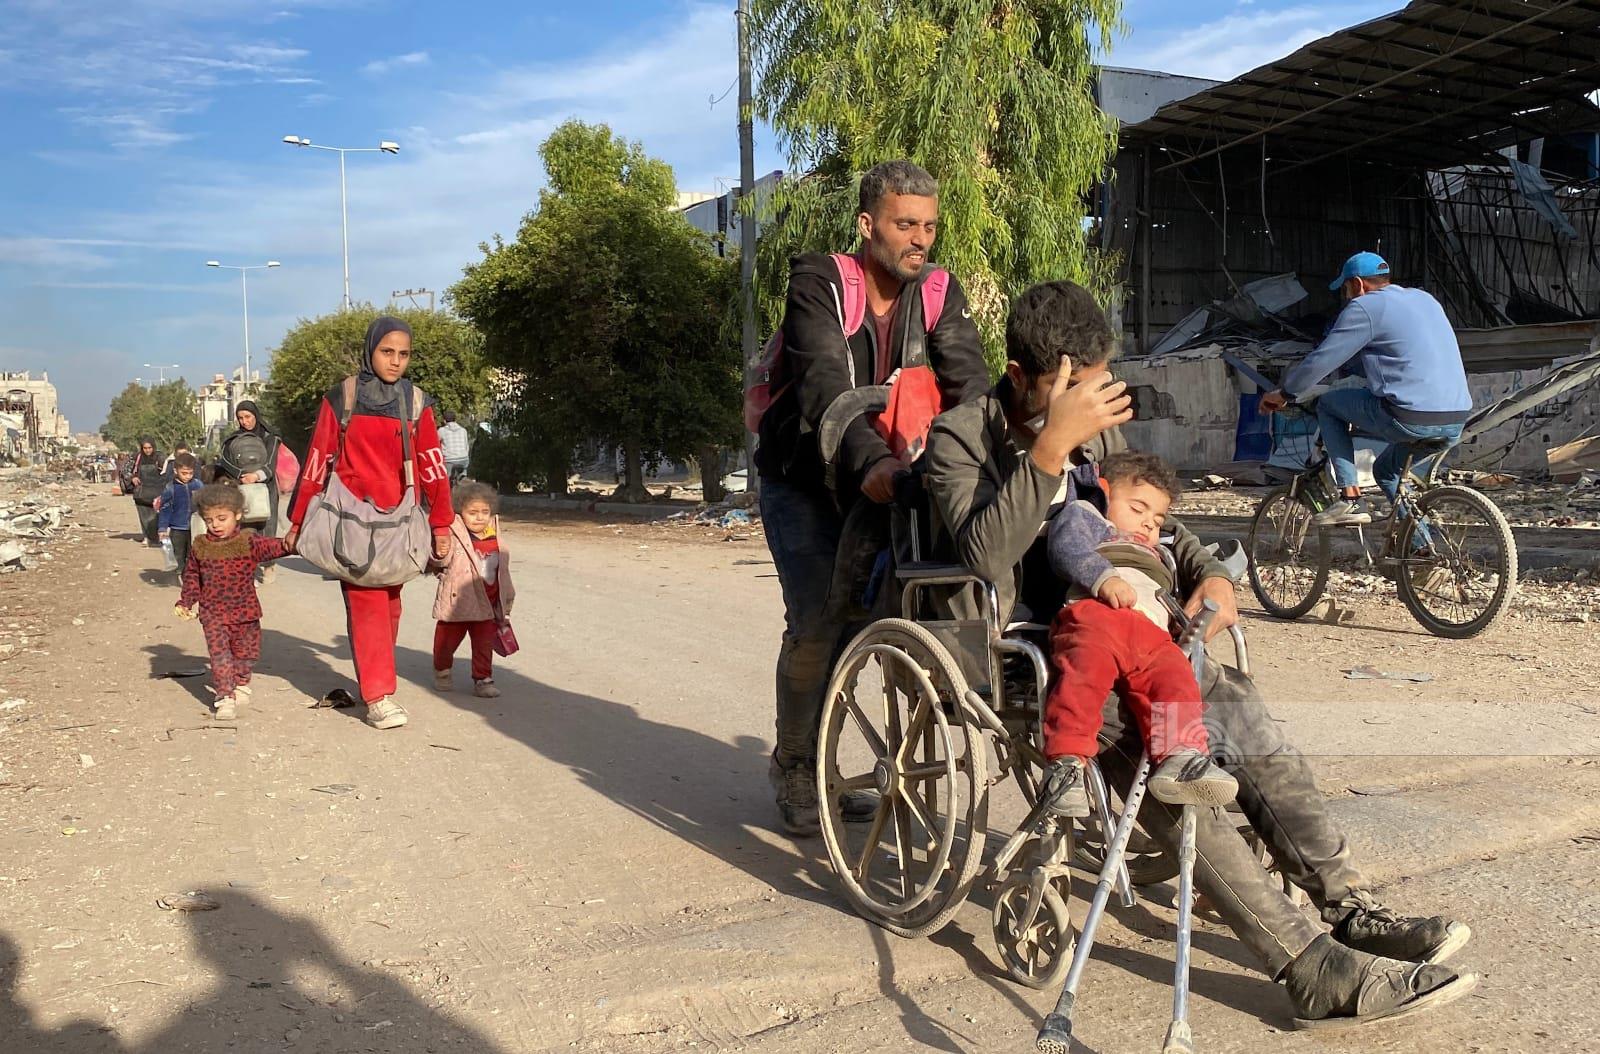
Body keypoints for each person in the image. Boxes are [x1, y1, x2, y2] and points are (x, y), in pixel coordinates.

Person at [923, 279, 1476, 1028]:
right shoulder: (961, 437)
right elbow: (984, 556)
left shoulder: (1102, 430)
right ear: (1023, 377)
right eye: (1075, 392)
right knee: (1162, 765)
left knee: (1242, 713)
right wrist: (1051, 447)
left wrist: (1209, 573)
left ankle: (1349, 908)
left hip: (1144, 635)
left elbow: (1147, 519)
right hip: (1047, 656)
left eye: (1096, 388)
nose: (1093, 409)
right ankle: (1310, 966)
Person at [756, 159, 990, 835]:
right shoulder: (820, 282)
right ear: (868, 224)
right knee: (816, 621)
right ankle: (796, 766)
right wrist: (871, 462)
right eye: (904, 224)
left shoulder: (940, 294)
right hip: (803, 479)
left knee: (867, 623)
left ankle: (823, 760)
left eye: (929, 226)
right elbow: (825, 386)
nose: (919, 238)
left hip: (888, 482)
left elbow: (971, 390)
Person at [1041, 450, 1237, 816]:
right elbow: (1065, 548)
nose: (1149, 523)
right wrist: (1104, 578)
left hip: (1150, 629)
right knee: (1082, 676)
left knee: (1175, 679)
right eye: (1138, 508)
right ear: (1104, 492)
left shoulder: (1159, 550)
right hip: (1097, 615)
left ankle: (1181, 756)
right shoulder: (1087, 514)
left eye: (1158, 518)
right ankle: (1066, 763)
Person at [285, 316, 454, 731]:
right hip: (351, 520)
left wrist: (442, 523)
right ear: (370, 350)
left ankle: (374, 678)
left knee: (390, 604)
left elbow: (434, 465)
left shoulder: (416, 403)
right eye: (387, 352)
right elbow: (318, 459)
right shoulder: (342, 397)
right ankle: (378, 696)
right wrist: (297, 518)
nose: (395, 362)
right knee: (368, 604)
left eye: (404, 354)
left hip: (400, 521)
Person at [1258, 252, 1472, 526]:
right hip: (1455, 417)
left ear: (1358, 284)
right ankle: (1422, 551)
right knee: (1386, 472)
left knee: (1328, 406)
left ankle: (1350, 497)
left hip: (1407, 416)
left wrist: (1286, 393)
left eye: (1346, 289)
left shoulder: (1365, 307)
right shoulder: (1425, 300)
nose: (1347, 296)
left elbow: (1324, 358)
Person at [174, 484, 291, 722]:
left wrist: (295, 542)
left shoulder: (248, 542)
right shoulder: (200, 546)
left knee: (247, 654)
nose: (215, 525)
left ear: (238, 514)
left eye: (221, 518)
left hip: (245, 613)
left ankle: (241, 682)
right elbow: (192, 576)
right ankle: (224, 697)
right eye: (209, 520)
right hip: (213, 615)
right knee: (220, 657)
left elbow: (276, 547)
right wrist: (186, 600)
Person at [431, 481, 515, 699]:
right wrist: (438, 553)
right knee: (445, 644)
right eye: (473, 512)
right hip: (458, 604)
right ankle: (442, 670)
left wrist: (506, 600)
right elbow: (439, 562)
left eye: (485, 512)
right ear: (460, 512)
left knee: (483, 645)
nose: (479, 517)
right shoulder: (453, 535)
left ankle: (483, 679)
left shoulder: (495, 537)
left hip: (487, 604)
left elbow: (503, 572)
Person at [217, 401, 297, 539]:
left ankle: (266, 561)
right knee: (244, 531)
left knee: (266, 531)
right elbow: (225, 461)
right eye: (240, 418)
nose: (244, 422)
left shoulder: (270, 437)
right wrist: (241, 475)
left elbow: (271, 463)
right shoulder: (234, 439)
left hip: (267, 488)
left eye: (248, 417)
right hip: (241, 487)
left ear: (256, 415)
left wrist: (256, 476)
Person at [157, 453, 204, 582]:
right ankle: (180, 574)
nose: (187, 476)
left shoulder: (198, 485)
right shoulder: (170, 488)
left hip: (195, 526)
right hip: (177, 527)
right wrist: (162, 528)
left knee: (193, 553)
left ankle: (191, 577)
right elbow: (165, 509)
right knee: (178, 553)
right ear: (175, 471)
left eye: (190, 473)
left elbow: (205, 504)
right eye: (184, 473)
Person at [126, 438, 166, 547]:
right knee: (143, 516)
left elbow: (166, 472)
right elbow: (125, 470)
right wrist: (132, 478)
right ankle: (146, 537)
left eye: (149, 448)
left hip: (157, 491)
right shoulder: (137, 457)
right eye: (145, 448)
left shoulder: (160, 457)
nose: (147, 450)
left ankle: (155, 538)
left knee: (155, 516)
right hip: (141, 492)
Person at [437, 410, 472, 482]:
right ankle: (463, 482)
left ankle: (450, 488)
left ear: (444, 420)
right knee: (462, 478)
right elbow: (466, 446)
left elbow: (435, 443)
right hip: (464, 459)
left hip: (449, 460)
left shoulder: (441, 431)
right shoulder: (463, 430)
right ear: (455, 419)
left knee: (448, 480)